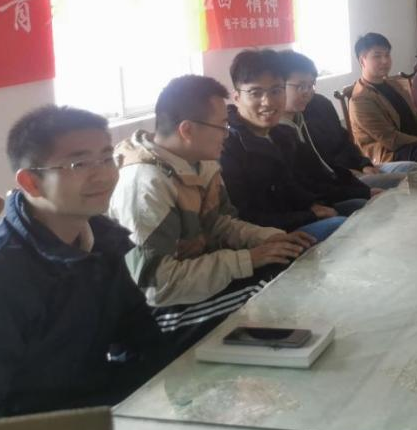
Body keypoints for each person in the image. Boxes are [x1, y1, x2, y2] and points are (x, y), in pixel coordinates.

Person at [0, 106, 166, 429]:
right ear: (31, 182)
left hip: (80, 414)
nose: (103, 175)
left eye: (106, 158)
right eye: (79, 164)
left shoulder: (102, 242)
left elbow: (142, 341)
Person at [111, 75, 313, 340]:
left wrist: (269, 239)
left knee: (292, 260)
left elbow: (220, 223)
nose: (227, 134)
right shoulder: (145, 184)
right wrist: (248, 259)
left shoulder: (200, 162)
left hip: (198, 282)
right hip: (158, 314)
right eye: (222, 126)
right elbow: (157, 286)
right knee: (272, 288)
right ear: (187, 130)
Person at [220, 50, 351, 242]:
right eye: (255, 93)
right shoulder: (227, 147)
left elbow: (302, 184)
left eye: (275, 91)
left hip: (300, 217)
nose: (267, 102)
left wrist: (314, 206)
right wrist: (310, 215)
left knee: (360, 209)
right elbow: (245, 217)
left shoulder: (283, 134)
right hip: (268, 238)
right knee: (343, 226)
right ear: (237, 97)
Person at [280, 50, 383, 205]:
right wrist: (361, 190)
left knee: (405, 177)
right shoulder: (279, 128)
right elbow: (309, 182)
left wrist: (363, 164)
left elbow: (344, 141)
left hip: (343, 179)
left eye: (311, 85)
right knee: (375, 202)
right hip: (325, 194)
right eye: (300, 86)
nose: (307, 92)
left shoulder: (317, 106)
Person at [349, 32, 417, 163]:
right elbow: (391, 139)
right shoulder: (360, 99)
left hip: (414, 144)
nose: (385, 61)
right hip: (391, 154)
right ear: (362, 60)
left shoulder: (394, 85)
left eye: (387, 55)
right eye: (377, 56)